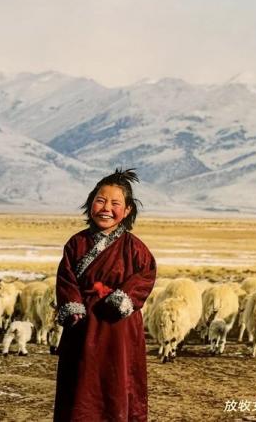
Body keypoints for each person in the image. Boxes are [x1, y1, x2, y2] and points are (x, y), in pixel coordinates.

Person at [54, 168, 157, 422]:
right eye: (100, 200)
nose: (106, 208)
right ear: (90, 204)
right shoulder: (76, 244)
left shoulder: (135, 248)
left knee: (117, 382)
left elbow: (146, 276)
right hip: (83, 327)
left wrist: (123, 299)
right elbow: (65, 278)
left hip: (119, 329)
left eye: (115, 203)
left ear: (128, 210)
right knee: (80, 386)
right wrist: (73, 306)